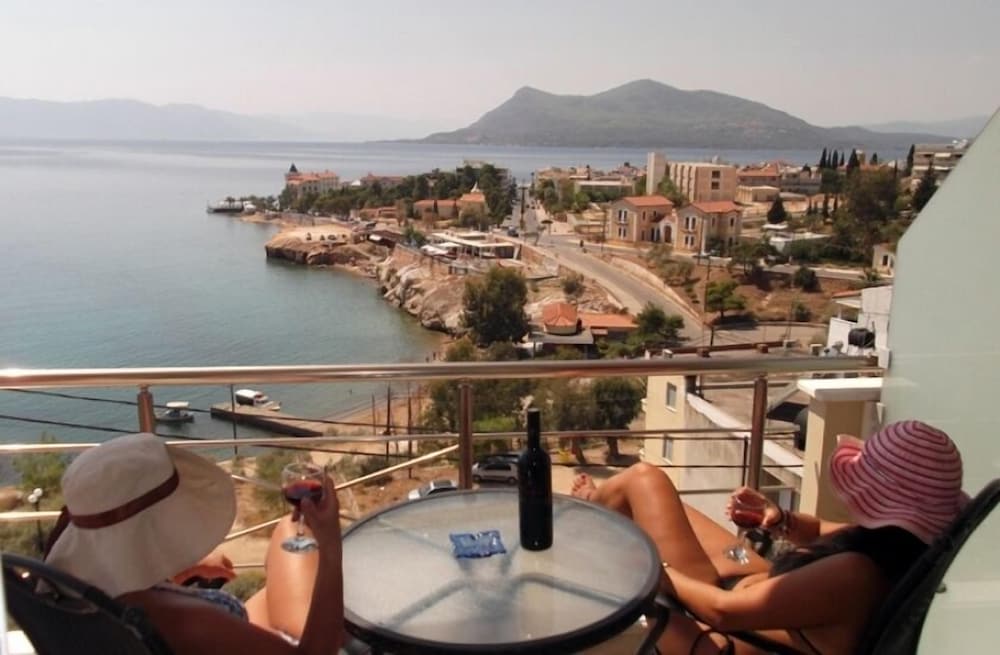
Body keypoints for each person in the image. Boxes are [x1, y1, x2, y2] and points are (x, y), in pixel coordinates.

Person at [571, 420, 967, 655]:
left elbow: (723, 612)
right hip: (757, 584)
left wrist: (655, 569)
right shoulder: (898, 548)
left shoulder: (856, 572)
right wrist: (778, 519)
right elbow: (819, 530)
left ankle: (589, 514)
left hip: (728, 630)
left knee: (644, 481)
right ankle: (599, 507)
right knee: (663, 501)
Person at [43, 432, 344, 655]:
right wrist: (331, 545)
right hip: (293, 646)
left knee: (283, 552)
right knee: (290, 531)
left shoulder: (73, 591)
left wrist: (181, 573)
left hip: (230, 631)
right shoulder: (186, 623)